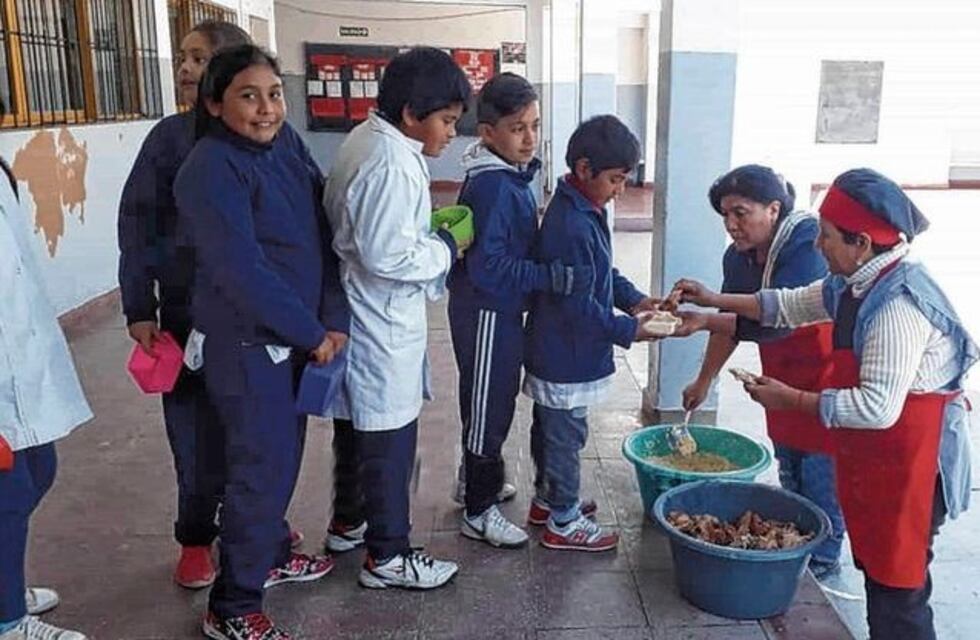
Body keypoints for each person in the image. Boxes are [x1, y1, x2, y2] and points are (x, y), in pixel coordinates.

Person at [673, 168, 976, 640]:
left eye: (827, 237)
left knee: (899, 590)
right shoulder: (854, 281)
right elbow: (789, 305)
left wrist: (791, 399)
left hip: (915, 466)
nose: (818, 246)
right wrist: (713, 301)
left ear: (861, 243)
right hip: (883, 455)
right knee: (879, 570)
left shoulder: (897, 304)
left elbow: (876, 408)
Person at [174, 45, 349, 639]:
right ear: (214, 103)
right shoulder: (210, 169)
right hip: (247, 347)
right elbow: (240, 270)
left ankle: (269, 554)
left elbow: (320, 230)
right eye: (248, 96)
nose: (267, 108)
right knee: (259, 471)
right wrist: (309, 330)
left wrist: (332, 317)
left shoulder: (286, 146)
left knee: (278, 462)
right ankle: (233, 606)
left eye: (274, 94)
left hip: (292, 340)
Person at [323, 46, 470, 589]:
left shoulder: (369, 139)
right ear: (411, 113)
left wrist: (424, 232)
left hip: (365, 313)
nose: (451, 133)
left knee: (356, 428)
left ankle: (348, 522)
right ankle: (388, 556)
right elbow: (387, 255)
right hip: (378, 322)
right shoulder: (391, 163)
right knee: (388, 438)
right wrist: (446, 246)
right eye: (446, 121)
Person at [117, 19, 252, 590]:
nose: (185, 69)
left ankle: (255, 524)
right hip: (184, 315)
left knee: (254, 430)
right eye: (183, 57)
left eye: (199, 58)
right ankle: (196, 538)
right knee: (194, 436)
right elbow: (136, 225)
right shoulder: (168, 139)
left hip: (253, 317)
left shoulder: (262, 135)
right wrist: (138, 307)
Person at [675, 164, 846, 578]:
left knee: (822, 473)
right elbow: (731, 322)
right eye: (725, 215)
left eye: (741, 213)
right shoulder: (738, 257)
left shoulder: (806, 244)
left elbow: (776, 321)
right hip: (781, 378)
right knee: (790, 467)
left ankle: (821, 559)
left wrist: (707, 313)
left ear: (773, 209)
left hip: (825, 377)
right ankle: (795, 549)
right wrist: (704, 380)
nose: (731, 225)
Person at [448, 73, 593, 548]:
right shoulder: (495, 186)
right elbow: (489, 267)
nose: (529, 138)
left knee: (489, 400)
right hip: (487, 312)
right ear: (487, 133)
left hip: (499, 310)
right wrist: (549, 277)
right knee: (488, 405)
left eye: (535, 125)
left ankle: (473, 482)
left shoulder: (509, 175)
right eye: (517, 128)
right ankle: (478, 510)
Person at [522, 115, 662, 551]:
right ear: (584, 169)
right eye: (615, 179)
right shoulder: (572, 224)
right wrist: (630, 329)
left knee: (553, 430)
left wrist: (636, 300)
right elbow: (577, 308)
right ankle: (563, 520)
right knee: (565, 436)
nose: (620, 189)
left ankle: (548, 499)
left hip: (565, 348)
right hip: (564, 352)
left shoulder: (584, 208)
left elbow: (603, 273)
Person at [1, 98, 94, 640]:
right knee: (7, 495)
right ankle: (8, 619)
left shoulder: (1, 172)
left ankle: (4, 583)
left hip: (20, 358)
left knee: (39, 469)